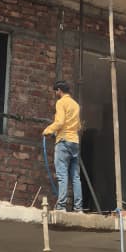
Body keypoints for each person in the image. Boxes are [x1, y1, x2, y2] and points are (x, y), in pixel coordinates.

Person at [43, 80, 83, 212]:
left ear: (59, 90)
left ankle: (61, 206)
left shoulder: (61, 102)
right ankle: (78, 208)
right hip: (75, 142)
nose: (56, 94)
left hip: (63, 142)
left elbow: (60, 122)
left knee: (62, 175)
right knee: (75, 177)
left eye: (56, 91)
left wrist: (48, 130)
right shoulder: (76, 105)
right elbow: (78, 126)